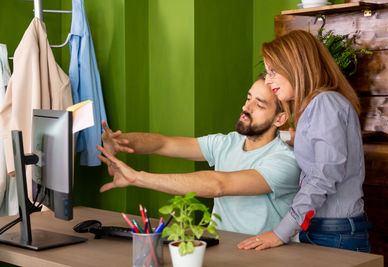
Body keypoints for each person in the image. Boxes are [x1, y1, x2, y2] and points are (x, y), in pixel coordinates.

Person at [96, 79, 300, 236]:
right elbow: (163, 143)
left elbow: (218, 185)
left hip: (265, 256)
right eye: (248, 99)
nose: (246, 108)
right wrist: (121, 142)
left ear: (280, 119)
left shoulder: (285, 161)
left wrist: (137, 177)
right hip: (222, 245)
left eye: (260, 105)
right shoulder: (226, 143)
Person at [238, 30, 370, 252]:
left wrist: (281, 232)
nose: (268, 81)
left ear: (296, 66)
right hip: (327, 229)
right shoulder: (319, 105)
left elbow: (323, 176)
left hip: (334, 232)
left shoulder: (324, 103)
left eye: (273, 72)